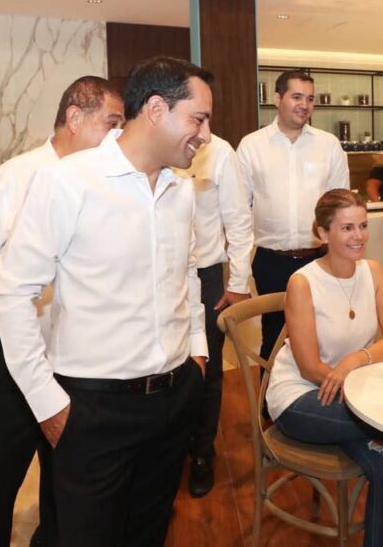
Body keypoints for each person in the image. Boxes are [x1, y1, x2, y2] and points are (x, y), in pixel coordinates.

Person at [0, 56, 212, 546]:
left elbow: (188, 274)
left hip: (174, 397)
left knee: (148, 533)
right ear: (156, 109)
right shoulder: (68, 180)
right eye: (198, 119)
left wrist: (197, 354)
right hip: (93, 408)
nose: (206, 135)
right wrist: (46, 402)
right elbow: (12, 295)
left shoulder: (180, 190)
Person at [0, 77, 124, 547]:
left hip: (77, 367)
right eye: (112, 123)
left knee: (66, 494)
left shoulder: (110, 187)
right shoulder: (14, 179)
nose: (119, 136)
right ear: (74, 118)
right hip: (9, 366)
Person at [266, 190, 383, 547]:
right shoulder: (303, 282)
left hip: (350, 391)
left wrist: (354, 360)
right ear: (323, 233)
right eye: (347, 228)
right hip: (301, 398)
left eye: (363, 226)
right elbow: (309, 367)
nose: (359, 236)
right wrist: (364, 396)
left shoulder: (372, 272)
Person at [237, 69, 350, 362]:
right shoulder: (252, 145)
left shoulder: (328, 144)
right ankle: (269, 394)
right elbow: (239, 210)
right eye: (297, 97)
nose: (304, 105)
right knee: (274, 338)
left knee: (324, 336)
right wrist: (238, 272)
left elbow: (341, 207)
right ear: (278, 99)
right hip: (271, 261)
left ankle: (321, 391)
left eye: (310, 99)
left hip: (320, 259)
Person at [174, 132, 254, 498]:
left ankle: (203, 452)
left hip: (206, 275)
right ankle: (168, 450)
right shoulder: (150, 147)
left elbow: (238, 220)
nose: (202, 127)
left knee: (207, 368)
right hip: (160, 276)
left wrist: (237, 282)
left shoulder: (220, 151)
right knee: (163, 367)